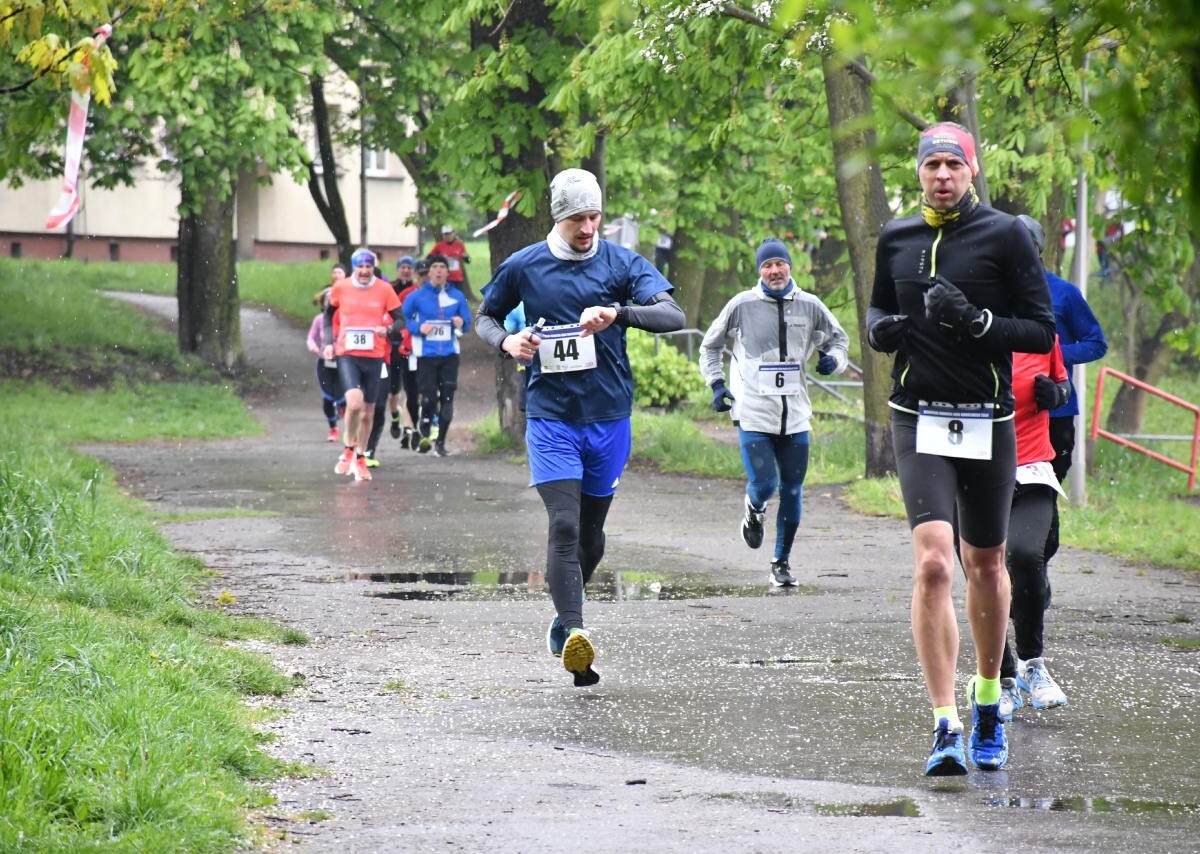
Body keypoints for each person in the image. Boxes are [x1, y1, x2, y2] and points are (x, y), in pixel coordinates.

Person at [866, 122, 1055, 775]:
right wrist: (881, 332)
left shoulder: (1004, 236)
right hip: (917, 416)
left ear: (971, 170)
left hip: (986, 418)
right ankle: (944, 722)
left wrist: (978, 322)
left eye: (953, 164)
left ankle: (989, 700)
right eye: (932, 165)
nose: (942, 175)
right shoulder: (896, 237)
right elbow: (875, 312)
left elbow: (1040, 329)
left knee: (988, 563)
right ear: (918, 172)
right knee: (933, 565)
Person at [474, 167, 685, 687]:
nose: (588, 228)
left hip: (609, 419)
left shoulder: (621, 263)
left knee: (591, 534)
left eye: (594, 217)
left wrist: (617, 313)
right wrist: (507, 342)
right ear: (558, 217)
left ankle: (565, 610)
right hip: (551, 419)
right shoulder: (525, 266)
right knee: (564, 525)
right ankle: (575, 633)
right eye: (577, 219)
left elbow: (672, 315)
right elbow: (485, 317)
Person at [699, 238, 849, 587]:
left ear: (789, 266)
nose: (774, 270)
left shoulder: (810, 305)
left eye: (780, 263)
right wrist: (717, 384)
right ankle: (754, 508)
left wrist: (834, 361)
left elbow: (839, 340)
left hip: (795, 413)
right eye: (767, 265)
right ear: (760, 271)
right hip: (753, 411)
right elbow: (710, 345)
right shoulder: (742, 304)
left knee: (793, 490)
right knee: (766, 484)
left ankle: (781, 562)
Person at [996, 338, 1071, 720]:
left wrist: (1057, 394)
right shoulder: (960, 329)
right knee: (986, 578)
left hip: (1032, 467)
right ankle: (1002, 678)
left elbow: (1062, 382)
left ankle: (1032, 664)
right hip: (974, 470)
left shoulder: (1040, 333)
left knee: (1026, 555)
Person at [322, 248, 404, 481]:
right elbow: (328, 316)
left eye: (368, 267)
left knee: (369, 413)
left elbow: (401, 320)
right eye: (360, 267)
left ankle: (360, 455)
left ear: (373, 267)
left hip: (374, 356)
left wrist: (388, 330)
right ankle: (348, 448)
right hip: (348, 354)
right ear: (354, 268)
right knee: (354, 403)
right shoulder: (341, 287)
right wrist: (328, 342)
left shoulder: (384, 289)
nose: (365, 271)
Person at [402, 254, 472, 456]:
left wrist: (461, 322)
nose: (439, 270)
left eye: (443, 267)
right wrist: (418, 327)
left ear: (448, 272)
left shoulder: (457, 296)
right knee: (430, 396)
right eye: (435, 267)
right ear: (429, 272)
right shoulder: (417, 296)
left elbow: (467, 322)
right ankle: (425, 420)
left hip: (450, 354)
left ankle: (440, 443)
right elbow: (402, 318)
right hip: (426, 355)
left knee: (448, 398)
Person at [363, 255, 420, 466]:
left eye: (408, 267)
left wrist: (392, 331)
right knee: (365, 403)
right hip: (361, 360)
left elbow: (401, 322)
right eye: (402, 267)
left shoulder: (397, 301)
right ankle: (356, 446)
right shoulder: (357, 306)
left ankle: (371, 449)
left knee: (390, 398)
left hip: (394, 354)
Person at [307, 287, 345, 442]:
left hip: (344, 361)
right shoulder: (319, 319)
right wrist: (313, 347)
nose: (330, 301)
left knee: (345, 396)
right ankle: (333, 428)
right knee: (327, 397)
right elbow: (311, 338)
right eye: (327, 299)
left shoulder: (345, 318)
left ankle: (351, 429)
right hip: (324, 361)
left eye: (333, 299)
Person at [431, 225, 472, 295]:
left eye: (449, 233)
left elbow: (468, 260)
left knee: (458, 297)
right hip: (444, 278)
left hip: (457, 278)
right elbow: (429, 258)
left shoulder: (460, 245)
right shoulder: (439, 246)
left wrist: (466, 257)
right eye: (445, 234)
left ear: (453, 233)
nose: (448, 236)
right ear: (442, 235)